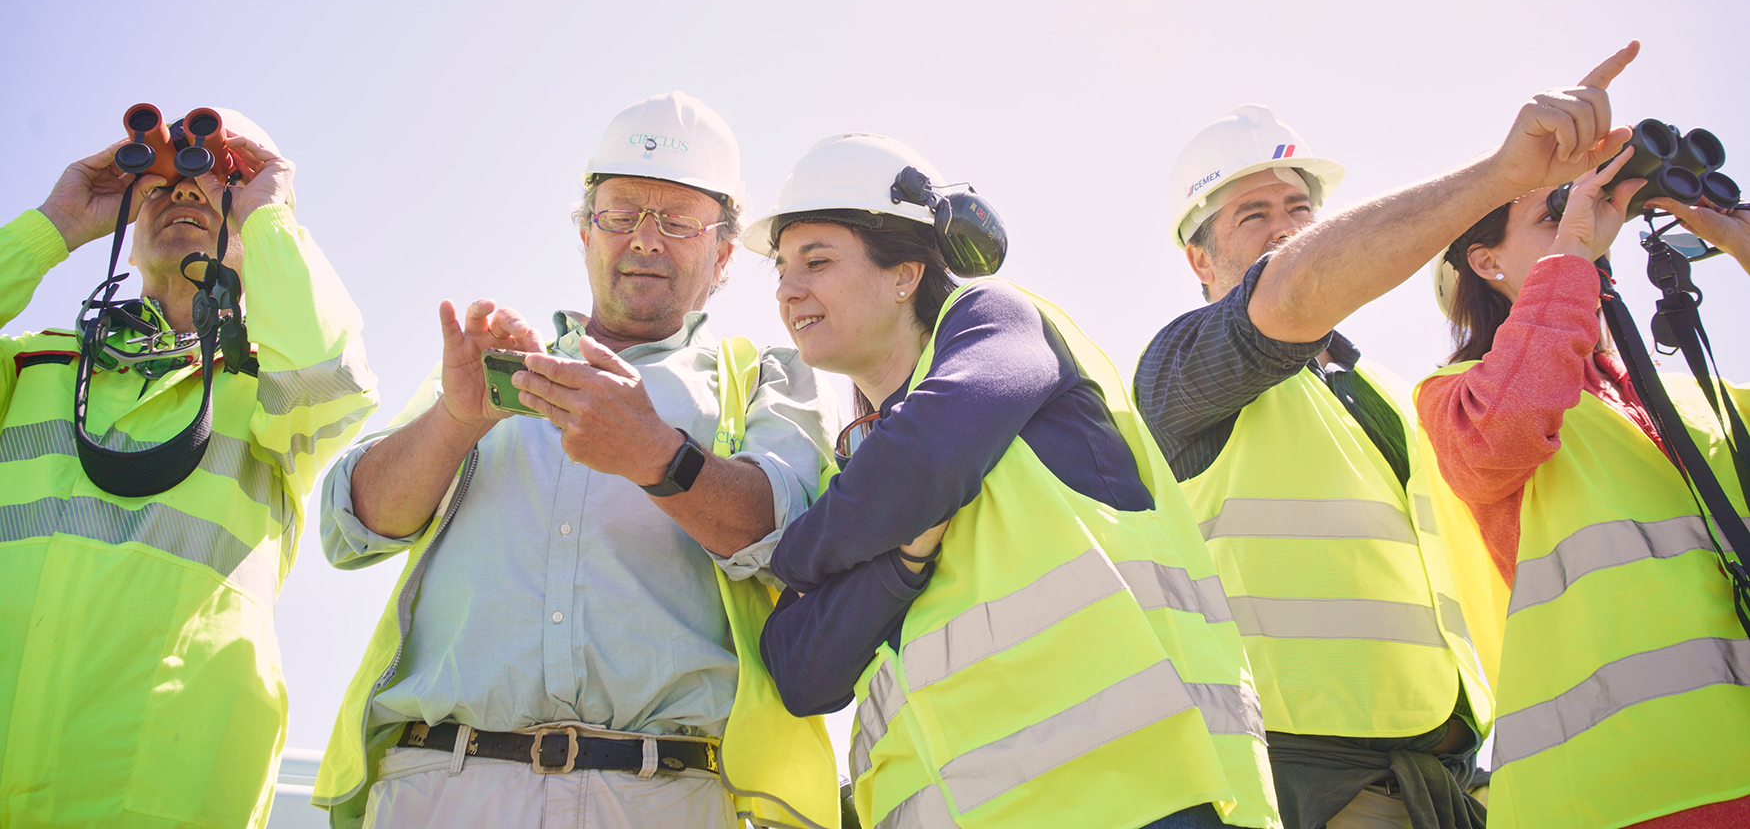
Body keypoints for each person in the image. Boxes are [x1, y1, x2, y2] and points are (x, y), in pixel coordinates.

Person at [1134, 43, 1644, 829]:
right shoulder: (1179, 370)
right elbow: (1295, 290)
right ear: (1199, 259)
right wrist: (1504, 177)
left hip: (1451, 776)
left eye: (1300, 211)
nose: (1286, 230)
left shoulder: (1378, 391)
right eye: (1253, 215)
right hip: (1316, 781)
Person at [312, 91, 839, 829]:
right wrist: (457, 418)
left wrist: (656, 454)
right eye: (620, 215)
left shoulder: (764, 374)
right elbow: (353, 527)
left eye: (679, 222)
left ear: (723, 254)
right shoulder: (490, 369)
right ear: (585, 232)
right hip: (443, 788)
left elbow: (792, 543)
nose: (646, 241)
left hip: (665, 796)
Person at [751, 133, 1280, 829]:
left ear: (907, 272)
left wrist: (791, 555)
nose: (789, 290)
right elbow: (800, 671)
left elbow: (930, 454)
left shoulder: (994, 322)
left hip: (1137, 800)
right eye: (782, 269)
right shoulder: (864, 478)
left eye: (816, 261)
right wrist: (902, 562)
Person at [0, 111, 377, 828]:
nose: (187, 196)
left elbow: (335, 378)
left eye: (216, 183)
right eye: (165, 184)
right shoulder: (32, 367)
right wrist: (56, 223)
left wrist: (268, 213)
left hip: (165, 796)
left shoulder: (269, 392)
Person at [1415, 150, 1750, 829]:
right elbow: (1500, 433)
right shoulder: (1456, 397)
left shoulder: (1695, 401)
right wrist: (1571, 254)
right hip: (1624, 794)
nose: (1587, 221)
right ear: (1485, 262)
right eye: (1553, 213)